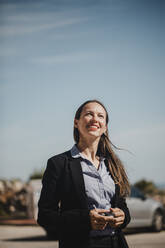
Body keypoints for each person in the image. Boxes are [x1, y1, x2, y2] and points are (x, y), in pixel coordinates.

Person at [37, 99, 131, 248]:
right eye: (89, 114)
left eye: (101, 116)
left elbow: (123, 208)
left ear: (105, 127)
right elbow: (45, 216)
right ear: (76, 122)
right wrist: (85, 220)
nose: (95, 119)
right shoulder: (59, 163)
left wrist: (123, 217)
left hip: (116, 243)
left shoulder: (113, 165)